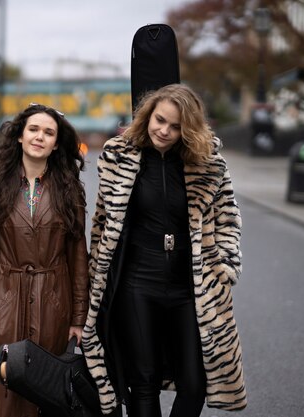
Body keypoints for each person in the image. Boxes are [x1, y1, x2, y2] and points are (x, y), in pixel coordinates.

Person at [82, 84, 247, 417]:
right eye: (160, 120)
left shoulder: (208, 162)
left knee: (195, 382)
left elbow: (228, 216)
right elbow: (102, 223)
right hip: (137, 283)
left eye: (175, 127)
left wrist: (226, 266)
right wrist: (94, 275)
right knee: (142, 381)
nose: (165, 131)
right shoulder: (119, 156)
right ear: (147, 115)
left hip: (191, 286)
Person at [0, 103, 89, 417]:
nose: (40, 136)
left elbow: (78, 258)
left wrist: (78, 318)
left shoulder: (70, 192)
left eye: (49, 132)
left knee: (45, 389)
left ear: (56, 144)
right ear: (20, 137)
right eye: (34, 129)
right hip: (3, 300)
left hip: (53, 302)